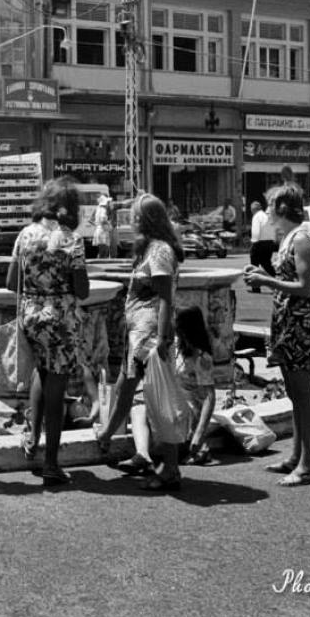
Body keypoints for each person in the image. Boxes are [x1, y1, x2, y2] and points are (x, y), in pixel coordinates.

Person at [94, 192, 185, 492]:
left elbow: (165, 298)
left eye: (134, 216)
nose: (130, 222)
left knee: (159, 401)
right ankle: (113, 437)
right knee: (128, 387)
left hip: (149, 336)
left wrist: (161, 339)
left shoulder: (158, 252)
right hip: (140, 333)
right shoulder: (150, 249)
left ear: (145, 220)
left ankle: (170, 469)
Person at [9, 177, 90, 487]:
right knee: (56, 390)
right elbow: (81, 290)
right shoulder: (71, 240)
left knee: (40, 375)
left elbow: (10, 281)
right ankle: (52, 464)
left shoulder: (25, 234)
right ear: (69, 208)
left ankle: (32, 439)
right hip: (60, 318)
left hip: (30, 314)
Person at [244, 182, 310, 487]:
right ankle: (295, 458)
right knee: (294, 394)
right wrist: (269, 279)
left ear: (281, 208)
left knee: (303, 395)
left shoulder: (301, 239)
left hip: (300, 325)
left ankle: (306, 466)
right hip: (289, 323)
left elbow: (305, 287)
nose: (267, 212)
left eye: (270, 205)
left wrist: (267, 280)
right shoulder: (289, 238)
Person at [118, 305, 217, 476]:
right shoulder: (172, 346)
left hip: (185, 411)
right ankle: (143, 454)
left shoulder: (200, 357)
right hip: (171, 404)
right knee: (139, 406)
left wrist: (199, 434)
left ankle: (163, 464)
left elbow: (210, 397)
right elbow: (141, 358)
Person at [248, 200, 277, 292]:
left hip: (259, 243)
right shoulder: (266, 216)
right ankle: (276, 282)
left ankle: (255, 287)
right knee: (266, 264)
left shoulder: (256, 217)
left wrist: (253, 242)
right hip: (269, 243)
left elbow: (256, 231)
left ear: (253, 210)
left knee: (254, 264)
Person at [91, 187, 115, 258]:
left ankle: (101, 260)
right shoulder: (103, 209)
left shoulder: (98, 208)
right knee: (104, 251)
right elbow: (103, 220)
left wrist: (96, 225)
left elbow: (94, 220)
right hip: (103, 231)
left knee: (101, 250)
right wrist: (109, 226)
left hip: (99, 230)